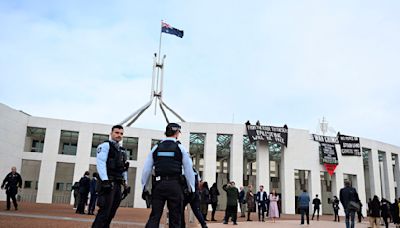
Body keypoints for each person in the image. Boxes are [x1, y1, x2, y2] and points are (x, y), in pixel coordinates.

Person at [141, 123, 195, 228]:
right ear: (177, 133)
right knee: (175, 217)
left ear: (166, 132)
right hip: (175, 185)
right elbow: (189, 170)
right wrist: (191, 188)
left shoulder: (156, 147)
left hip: (159, 185)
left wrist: (145, 187)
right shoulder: (180, 148)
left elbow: (146, 169)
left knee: (155, 216)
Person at [92, 125, 130, 228]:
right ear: (111, 133)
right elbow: (101, 163)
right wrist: (105, 180)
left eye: (121, 133)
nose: (119, 135)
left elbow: (124, 168)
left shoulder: (122, 150)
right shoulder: (105, 146)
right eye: (117, 133)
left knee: (111, 212)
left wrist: (126, 184)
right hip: (108, 182)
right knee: (104, 211)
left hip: (117, 184)